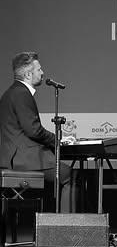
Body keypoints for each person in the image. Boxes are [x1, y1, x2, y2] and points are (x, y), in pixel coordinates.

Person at [0, 52, 79, 213]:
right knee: (70, 175)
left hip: (13, 157)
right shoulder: (21, 94)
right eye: (39, 69)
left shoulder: (12, 92)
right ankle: (67, 225)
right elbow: (33, 130)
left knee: (64, 172)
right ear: (28, 74)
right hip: (23, 159)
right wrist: (58, 140)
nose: (42, 73)